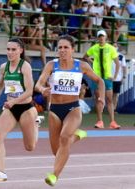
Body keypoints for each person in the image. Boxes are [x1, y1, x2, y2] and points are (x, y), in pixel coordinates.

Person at [35, 35, 105, 186]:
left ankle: (54, 175)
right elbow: (38, 83)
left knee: (65, 138)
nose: (62, 50)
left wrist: (102, 98)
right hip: (54, 109)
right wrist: (42, 89)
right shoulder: (51, 65)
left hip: (73, 108)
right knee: (57, 151)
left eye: (66, 47)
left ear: (73, 49)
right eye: (60, 47)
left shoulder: (81, 66)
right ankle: (77, 136)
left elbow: (100, 81)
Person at [0, 38, 39, 182]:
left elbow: (29, 91)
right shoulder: (4, 67)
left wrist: (14, 101)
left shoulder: (25, 66)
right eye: (8, 49)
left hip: (26, 108)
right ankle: (1, 172)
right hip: (10, 108)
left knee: (30, 147)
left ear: (20, 50)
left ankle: (36, 123)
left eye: (13, 50)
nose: (10, 52)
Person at [83, 29, 120, 129]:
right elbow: (85, 57)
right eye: (99, 36)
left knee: (109, 99)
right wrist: (91, 62)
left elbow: (117, 62)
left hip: (107, 77)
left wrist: (115, 76)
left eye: (103, 36)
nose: (101, 38)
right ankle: (100, 121)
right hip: (97, 78)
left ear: (106, 37)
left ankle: (112, 122)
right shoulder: (94, 48)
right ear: (97, 37)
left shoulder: (111, 48)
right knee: (99, 99)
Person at [112, 43, 127, 112]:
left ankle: (114, 109)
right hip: (109, 78)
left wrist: (124, 77)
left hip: (118, 79)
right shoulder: (108, 55)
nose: (114, 47)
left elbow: (124, 67)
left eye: (115, 46)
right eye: (113, 46)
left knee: (116, 94)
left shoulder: (121, 56)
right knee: (109, 94)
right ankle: (109, 108)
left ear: (117, 47)